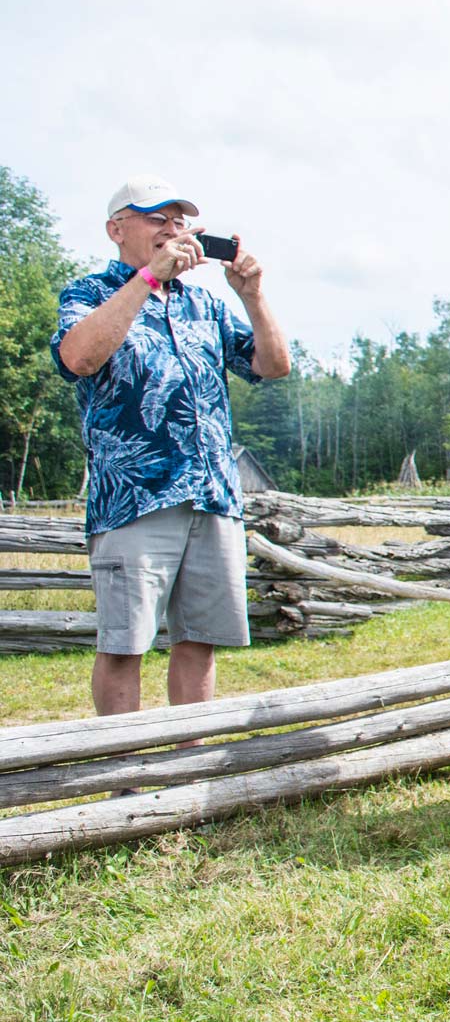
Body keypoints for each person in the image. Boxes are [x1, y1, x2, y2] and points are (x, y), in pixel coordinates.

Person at [51, 175, 290, 736]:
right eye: (158, 218)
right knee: (124, 642)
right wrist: (146, 279)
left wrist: (252, 295)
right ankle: (125, 775)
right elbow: (80, 358)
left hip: (211, 492)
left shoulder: (203, 303)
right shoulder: (90, 292)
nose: (173, 229)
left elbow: (272, 365)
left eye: (180, 220)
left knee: (199, 639)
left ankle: (187, 763)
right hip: (135, 497)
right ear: (118, 229)